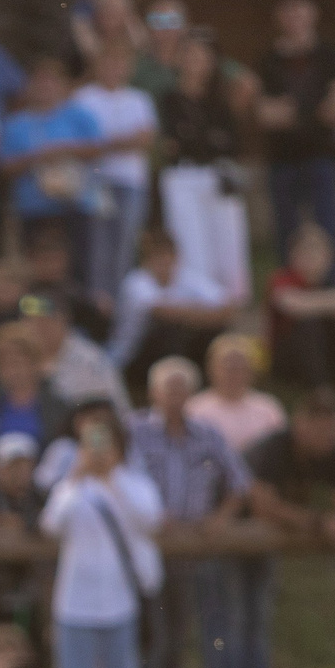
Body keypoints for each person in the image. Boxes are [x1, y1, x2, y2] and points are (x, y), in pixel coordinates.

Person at [39, 398, 160, 668]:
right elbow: (51, 524)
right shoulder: (73, 486)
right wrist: (77, 475)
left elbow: (148, 519)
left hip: (120, 604)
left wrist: (110, 479)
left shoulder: (133, 483)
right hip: (74, 604)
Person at [130, 358, 250, 668]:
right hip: (147, 546)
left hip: (192, 548)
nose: (175, 397)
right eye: (169, 390)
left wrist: (220, 518)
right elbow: (118, 478)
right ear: (153, 392)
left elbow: (240, 482)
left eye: (182, 390)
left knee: (179, 631)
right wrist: (149, 514)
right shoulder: (134, 431)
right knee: (149, 631)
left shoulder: (207, 433)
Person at [252, 0, 335, 260]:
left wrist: (290, 111)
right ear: (278, 17)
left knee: (328, 226)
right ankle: (289, 279)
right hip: (282, 158)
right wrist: (313, 108)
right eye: (288, 10)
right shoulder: (269, 60)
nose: (294, 16)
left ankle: (331, 278)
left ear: (313, 13)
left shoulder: (330, 55)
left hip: (322, 154)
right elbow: (264, 114)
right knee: (286, 229)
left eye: (299, 9)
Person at [156, 34, 250, 306]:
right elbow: (172, 144)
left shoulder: (220, 99)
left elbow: (229, 143)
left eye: (202, 57)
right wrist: (201, 141)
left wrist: (195, 140)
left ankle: (229, 303)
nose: (195, 62)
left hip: (218, 176)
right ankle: (199, 302)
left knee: (227, 242)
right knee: (190, 243)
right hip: (184, 176)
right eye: (190, 55)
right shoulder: (169, 99)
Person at [0, 57, 103, 290]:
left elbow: (98, 151)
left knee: (78, 268)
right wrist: (34, 159)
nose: (45, 87)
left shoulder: (79, 116)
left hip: (74, 205)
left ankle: (76, 308)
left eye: (51, 82)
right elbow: (4, 167)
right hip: (33, 209)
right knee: (33, 272)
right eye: (40, 82)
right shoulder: (16, 124)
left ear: (62, 85)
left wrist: (65, 150)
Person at [72, 43, 158, 306]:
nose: (114, 69)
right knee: (97, 245)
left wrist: (105, 143)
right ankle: (97, 303)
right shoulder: (83, 98)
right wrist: (124, 141)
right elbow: (82, 143)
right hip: (96, 181)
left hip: (131, 182)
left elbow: (146, 139)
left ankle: (122, 302)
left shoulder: (139, 99)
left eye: (120, 64)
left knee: (125, 245)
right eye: (108, 63)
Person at [105, 230, 233, 388]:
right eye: (157, 257)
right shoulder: (136, 282)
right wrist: (201, 313)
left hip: (177, 345)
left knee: (215, 331)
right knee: (170, 330)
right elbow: (161, 312)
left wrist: (187, 315)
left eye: (167, 255)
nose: (164, 262)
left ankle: (203, 382)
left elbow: (228, 307)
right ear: (146, 260)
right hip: (132, 355)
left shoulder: (186, 277)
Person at [266, 223, 335, 397]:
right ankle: (320, 391)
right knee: (308, 323)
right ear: (292, 255)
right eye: (306, 251)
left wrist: (313, 303)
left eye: (317, 251)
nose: (312, 257)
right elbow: (292, 305)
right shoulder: (282, 279)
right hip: (289, 358)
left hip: (327, 352)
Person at [185, 335, 284, 455]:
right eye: (226, 366)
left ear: (251, 370)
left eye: (239, 367)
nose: (232, 373)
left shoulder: (268, 408)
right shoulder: (194, 408)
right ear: (211, 368)